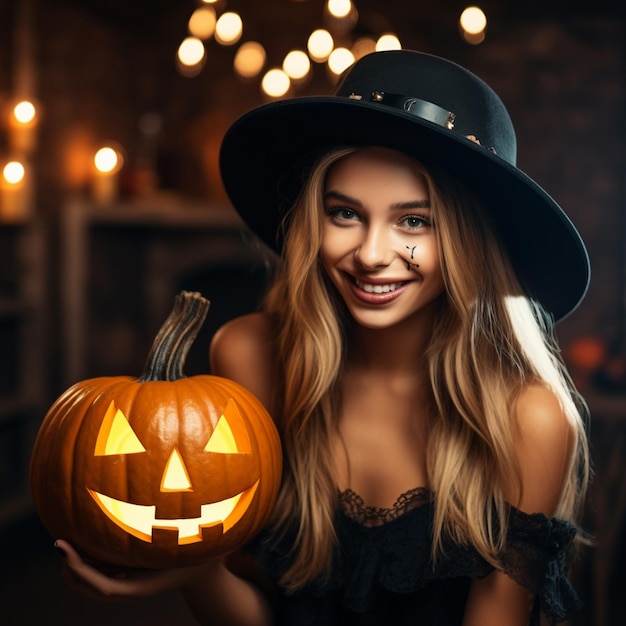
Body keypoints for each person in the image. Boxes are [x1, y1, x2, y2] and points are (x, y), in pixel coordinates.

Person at [55, 50, 591, 626]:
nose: (371, 254)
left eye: (415, 220)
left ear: (470, 243)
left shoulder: (530, 417)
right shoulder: (249, 356)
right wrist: (199, 571)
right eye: (345, 214)